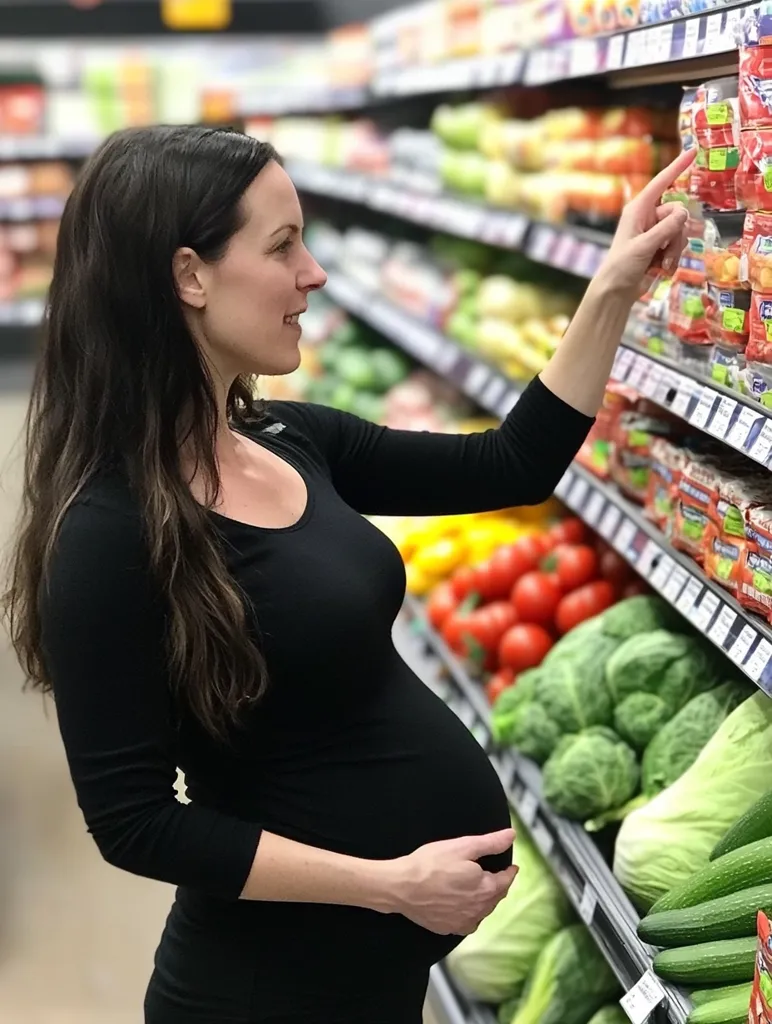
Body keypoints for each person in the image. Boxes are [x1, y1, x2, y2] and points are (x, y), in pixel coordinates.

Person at [2, 125, 692, 1024]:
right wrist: (388, 885)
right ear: (190, 276)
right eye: (283, 245)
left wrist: (613, 286)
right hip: (262, 993)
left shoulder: (290, 438)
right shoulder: (107, 532)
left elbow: (509, 464)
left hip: (369, 978)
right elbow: (134, 822)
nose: (315, 273)